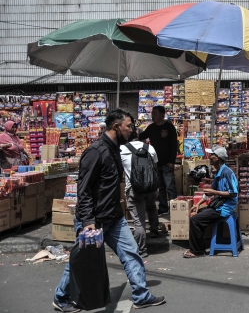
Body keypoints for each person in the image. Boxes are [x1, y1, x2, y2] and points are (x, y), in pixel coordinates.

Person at [53, 109, 165, 313]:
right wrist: (88, 220)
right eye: (128, 126)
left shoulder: (116, 149)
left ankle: (141, 295)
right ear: (116, 126)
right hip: (94, 221)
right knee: (81, 260)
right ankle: (61, 297)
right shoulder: (96, 152)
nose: (132, 130)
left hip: (114, 217)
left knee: (132, 253)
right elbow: (84, 189)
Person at [183, 146, 238, 258]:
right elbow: (209, 193)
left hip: (224, 207)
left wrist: (215, 192)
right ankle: (200, 245)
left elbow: (233, 193)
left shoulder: (227, 172)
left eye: (212, 155)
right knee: (196, 214)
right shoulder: (218, 172)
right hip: (218, 204)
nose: (209, 156)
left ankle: (197, 251)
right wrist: (198, 204)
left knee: (195, 220)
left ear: (217, 158)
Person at [120, 128, 160, 258]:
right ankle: (154, 230)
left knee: (139, 222)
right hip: (151, 187)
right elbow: (155, 166)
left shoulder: (122, 149)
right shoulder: (150, 148)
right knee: (152, 205)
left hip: (134, 189)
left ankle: (142, 250)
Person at [139, 106, 178, 215]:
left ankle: (174, 208)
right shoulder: (151, 127)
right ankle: (163, 207)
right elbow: (142, 136)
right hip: (155, 163)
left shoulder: (169, 127)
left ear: (162, 114)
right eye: (152, 113)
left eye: (155, 113)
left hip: (167, 163)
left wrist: (172, 161)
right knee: (160, 187)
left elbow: (174, 145)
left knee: (170, 187)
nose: (153, 115)